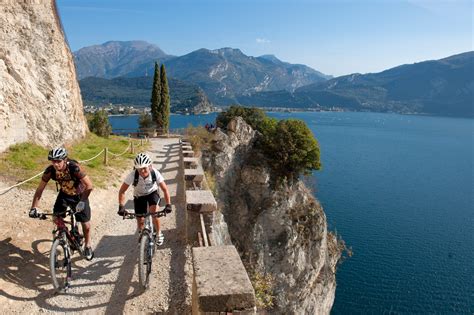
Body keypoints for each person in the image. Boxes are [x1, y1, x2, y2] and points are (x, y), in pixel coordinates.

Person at [29, 147, 94, 260]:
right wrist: (34, 207)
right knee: (56, 217)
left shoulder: (74, 168)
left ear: (65, 159)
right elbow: (40, 189)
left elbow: (89, 185)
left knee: (86, 225)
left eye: (58, 161)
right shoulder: (50, 171)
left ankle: (88, 245)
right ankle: (64, 236)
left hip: (80, 195)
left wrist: (82, 201)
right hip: (64, 195)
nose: (56, 164)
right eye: (53, 161)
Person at [117, 152, 172, 246]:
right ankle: (141, 236)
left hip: (152, 193)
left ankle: (159, 233)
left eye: (144, 168)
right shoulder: (132, 175)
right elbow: (122, 191)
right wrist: (121, 206)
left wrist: (168, 204)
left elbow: (165, 189)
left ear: (150, 166)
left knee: (154, 213)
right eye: (139, 169)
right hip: (139, 196)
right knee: (140, 219)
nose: (142, 171)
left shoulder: (155, 173)